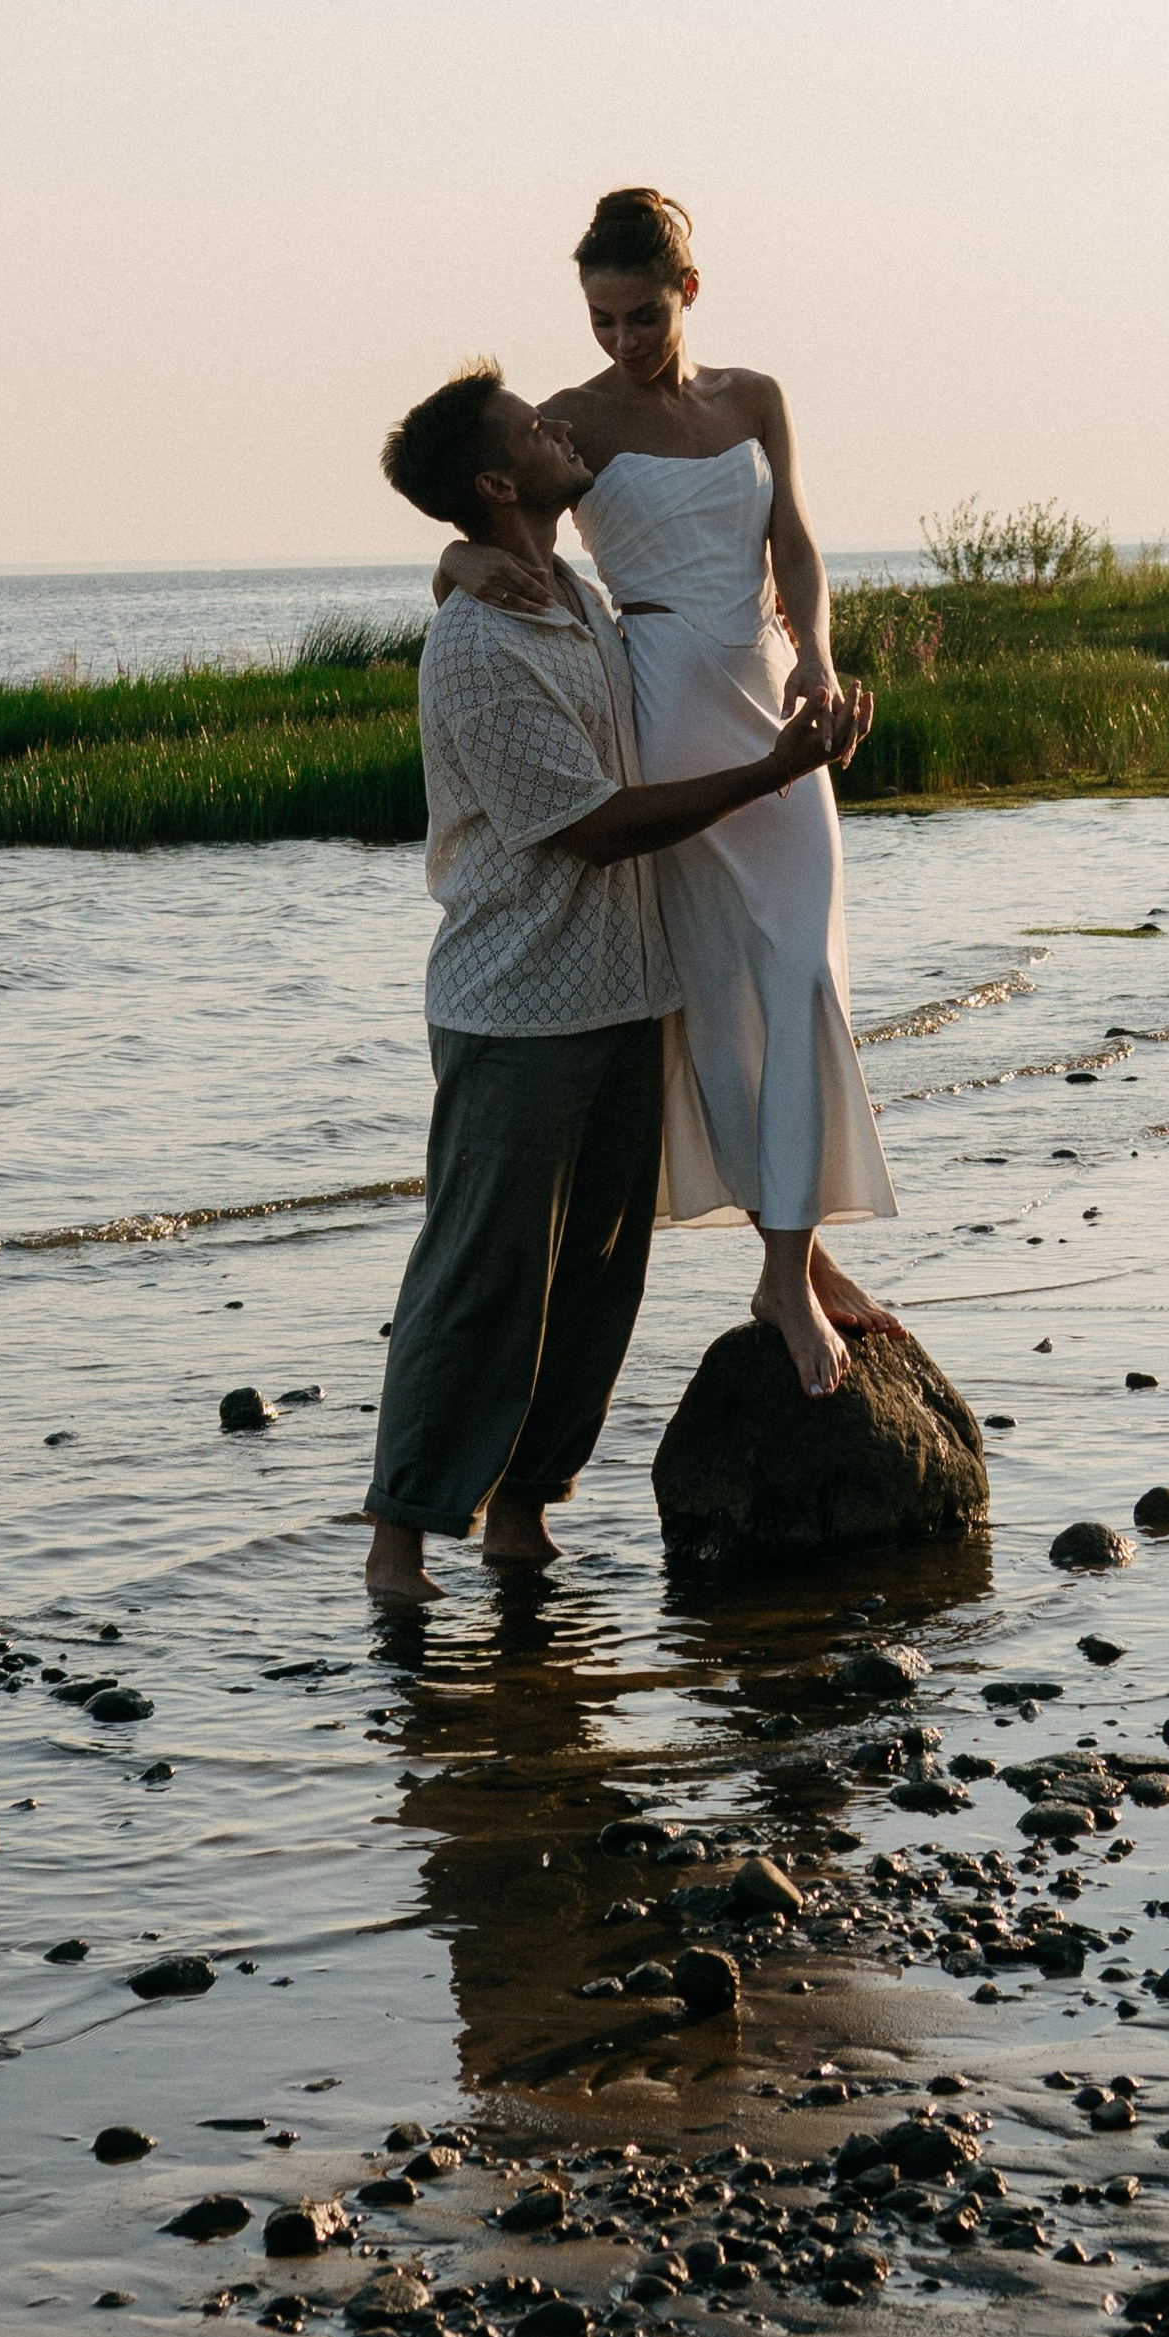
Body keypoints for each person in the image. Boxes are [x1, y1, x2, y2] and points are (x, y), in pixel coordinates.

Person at [362, 359, 861, 1604]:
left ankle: (523, 1517)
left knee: (595, 1281)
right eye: (529, 429)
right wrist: (767, 774)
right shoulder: (479, 649)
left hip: (622, 994)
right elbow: (593, 828)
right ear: (496, 481)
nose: (556, 422)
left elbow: (750, 562)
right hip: (518, 1010)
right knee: (482, 1275)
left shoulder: (573, 600)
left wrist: (458, 551)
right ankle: (399, 1542)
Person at [436, 188, 898, 1398]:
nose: (621, 342)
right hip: (659, 708)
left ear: (687, 292)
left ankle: (794, 1260)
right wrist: (450, 559)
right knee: (719, 996)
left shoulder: (755, 399)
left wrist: (820, 658)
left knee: (805, 975)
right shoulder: (570, 422)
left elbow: (794, 543)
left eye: (641, 316)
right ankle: (789, 1266)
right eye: (600, 319)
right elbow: (488, 500)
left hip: (769, 693)